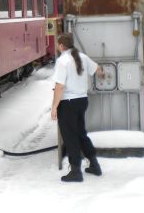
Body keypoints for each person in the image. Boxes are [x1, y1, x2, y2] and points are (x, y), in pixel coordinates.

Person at [51, 33, 105, 182]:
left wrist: (54, 107)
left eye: (57, 44)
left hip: (68, 103)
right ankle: (94, 165)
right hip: (82, 101)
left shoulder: (62, 61)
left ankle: (75, 171)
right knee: (81, 133)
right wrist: (102, 75)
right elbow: (98, 70)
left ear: (61, 46)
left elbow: (59, 87)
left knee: (70, 137)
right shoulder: (82, 57)